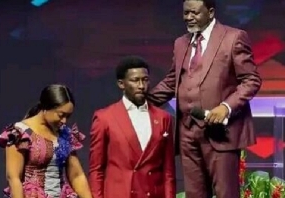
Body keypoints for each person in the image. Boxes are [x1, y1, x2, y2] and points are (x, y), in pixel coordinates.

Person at [147, 0, 262, 197]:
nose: (188, 17)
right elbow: (172, 81)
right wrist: (141, 101)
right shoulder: (180, 43)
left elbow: (251, 80)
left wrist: (226, 107)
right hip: (187, 132)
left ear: (210, 12)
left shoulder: (233, 38)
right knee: (195, 193)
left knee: (226, 192)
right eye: (185, 13)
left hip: (220, 132)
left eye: (194, 13)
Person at [89, 56, 176, 198]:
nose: (141, 86)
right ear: (121, 84)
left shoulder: (163, 118)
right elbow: (96, 169)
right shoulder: (104, 118)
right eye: (135, 80)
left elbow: (168, 171)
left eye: (145, 80)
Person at [0, 84, 92, 198]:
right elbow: (14, 178)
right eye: (61, 115)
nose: (64, 120)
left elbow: (77, 175)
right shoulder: (20, 132)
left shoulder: (65, 134)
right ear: (46, 108)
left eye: (68, 116)